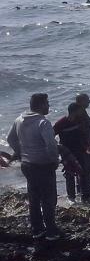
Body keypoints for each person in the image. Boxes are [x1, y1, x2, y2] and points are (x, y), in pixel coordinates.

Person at [6, 93, 62, 240]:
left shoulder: (19, 119)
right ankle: (51, 231)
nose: (49, 106)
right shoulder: (43, 123)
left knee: (34, 197)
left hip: (27, 165)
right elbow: (51, 145)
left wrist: (20, 152)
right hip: (43, 165)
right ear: (41, 105)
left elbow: (10, 139)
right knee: (48, 198)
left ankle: (37, 229)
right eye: (47, 103)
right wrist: (54, 160)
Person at [53, 103, 89, 202]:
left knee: (82, 172)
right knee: (69, 173)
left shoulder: (79, 120)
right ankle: (71, 198)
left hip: (80, 149)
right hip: (67, 152)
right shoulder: (61, 122)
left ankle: (84, 195)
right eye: (79, 110)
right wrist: (57, 147)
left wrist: (87, 144)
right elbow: (51, 135)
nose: (81, 112)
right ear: (74, 111)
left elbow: (84, 133)